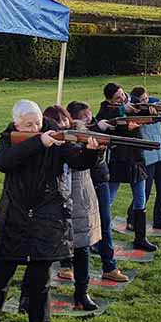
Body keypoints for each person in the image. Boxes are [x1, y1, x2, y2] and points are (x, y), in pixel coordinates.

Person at [0, 100, 100, 322]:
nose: (35, 127)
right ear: (16, 124)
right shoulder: (9, 139)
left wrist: (93, 152)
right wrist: (38, 142)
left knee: (41, 285)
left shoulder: (56, 137)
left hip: (47, 221)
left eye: (37, 123)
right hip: (14, 220)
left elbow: (78, 160)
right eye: (28, 125)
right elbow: (3, 162)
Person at [44, 105, 102, 311]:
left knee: (82, 249)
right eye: (55, 121)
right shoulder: (43, 142)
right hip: (52, 203)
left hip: (79, 200)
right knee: (42, 254)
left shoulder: (81, 135)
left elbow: (86, 163)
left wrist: (95, 151)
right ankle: (30, 295)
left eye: (64, 120)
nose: (62, 124)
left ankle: (82, 293)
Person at [69, 102, 129, 284]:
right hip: (83, 186)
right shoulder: (73, 136)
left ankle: (109, 267)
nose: (89, 117)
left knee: (104, 224)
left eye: (89, 114)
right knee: (74, 227)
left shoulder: (95, 129)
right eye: (84, 116)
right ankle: (66, 266)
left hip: (100, 181)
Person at [96, 83, 157, 253]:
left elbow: (146, 109)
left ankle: (141, 238)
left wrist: (151, 110)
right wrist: (124, 115)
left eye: (122, 94)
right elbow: (104, 119)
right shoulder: (106, 109)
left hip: (136, 158)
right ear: (109, 99)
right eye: (117, 98)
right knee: (108, 200)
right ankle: (98, 238)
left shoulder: (134, 102)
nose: (122, 98)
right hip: (118, 158)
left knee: (140, 199)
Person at [129, 87, 161, 232]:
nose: (145, 102)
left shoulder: (156, 106)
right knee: (145, 192)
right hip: (147, 157)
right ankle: (132, 219)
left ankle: (160, 219)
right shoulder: (134, 113)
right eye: (141, 100)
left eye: (146, 98)